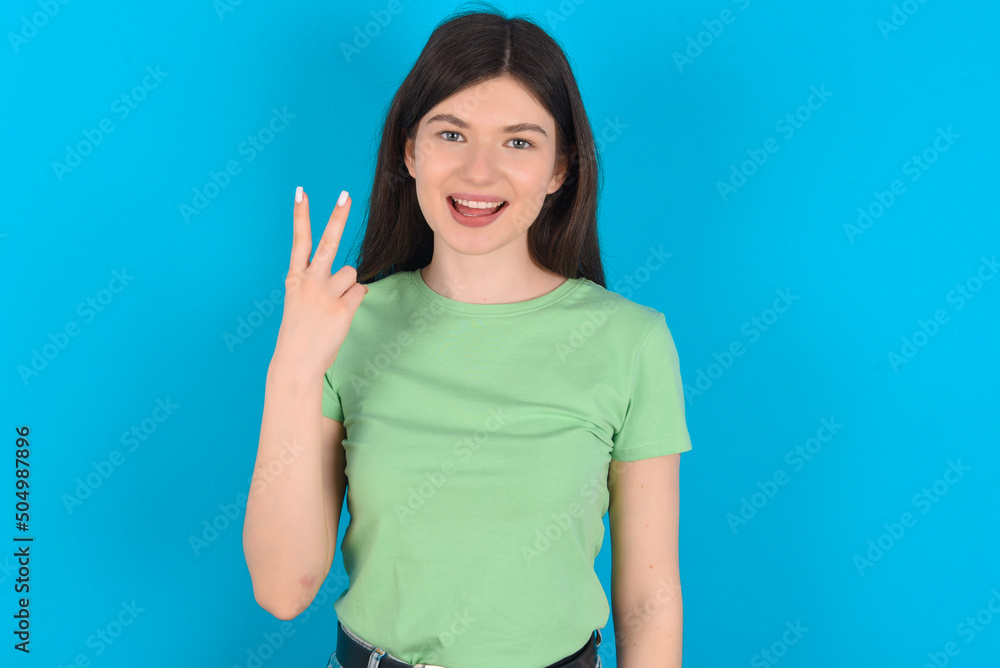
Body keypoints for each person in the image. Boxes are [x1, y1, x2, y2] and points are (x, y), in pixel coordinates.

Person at [243, 6, 691, 668]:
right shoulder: (346, 327)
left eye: (518, 142)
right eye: (451, 134)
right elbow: (284, 590)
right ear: (409, 149)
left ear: (561, 168)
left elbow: (648, 599)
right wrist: (292, 370)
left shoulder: (632, 341)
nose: (479, 175)